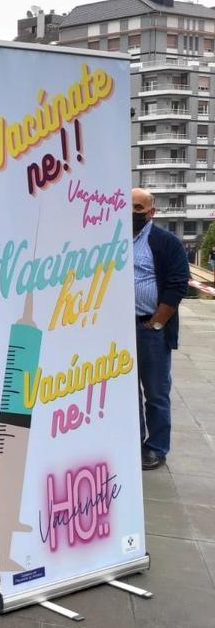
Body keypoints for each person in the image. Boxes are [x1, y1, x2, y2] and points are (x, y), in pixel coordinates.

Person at [131, 188, 190, 471]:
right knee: (126, 390)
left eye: (138, 208)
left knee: (155, 390)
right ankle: (132, 441)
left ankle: (155, 447)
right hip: (119, 331)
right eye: (127, 206)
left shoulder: (167, 242)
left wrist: (156, 323)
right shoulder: (112, 240)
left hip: (149, 328)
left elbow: (178, 284)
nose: (132, 213)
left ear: (151, 212)